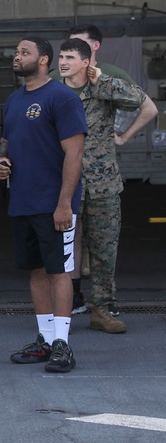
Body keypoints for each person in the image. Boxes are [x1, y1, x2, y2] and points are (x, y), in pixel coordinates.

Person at [0, 37, 86, 373]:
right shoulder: (14, 101)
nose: (17, 57)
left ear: (43, 59)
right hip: (23, 202)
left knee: (58, 270)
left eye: (24, 53)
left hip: (53, 204)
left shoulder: (61, 98)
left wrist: (65, 203)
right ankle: (45, 340)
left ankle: (63, 344)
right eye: (16, 52)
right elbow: (7, 143)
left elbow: (75, 153)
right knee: (36, 270)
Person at [57, 38, 157, 334]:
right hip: (65, 184)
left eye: (70, 57)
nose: (63, 62)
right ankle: (61, 312)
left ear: (86, 62)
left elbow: (142, 102)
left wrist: (124, 136)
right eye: (61, 56)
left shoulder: (104, 87)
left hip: (103, 184)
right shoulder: (55, 93)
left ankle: (102, 310)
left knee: (104, 249)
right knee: (60, 249)